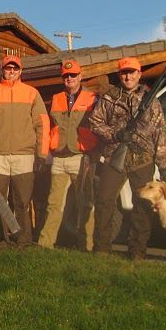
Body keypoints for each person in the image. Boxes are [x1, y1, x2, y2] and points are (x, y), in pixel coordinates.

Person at [89, 57, 166, 259]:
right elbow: (95, 123)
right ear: (119, 75)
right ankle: (102, 249)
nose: (128, 77)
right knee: (104, 201)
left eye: (132, 72)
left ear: (139, 74)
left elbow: (160, 133)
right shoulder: (109, 98)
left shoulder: (151, 100)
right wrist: (115, 135)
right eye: (124, 72)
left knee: (142, 205)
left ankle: (137, 252)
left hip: (143, 159)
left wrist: (163, 165)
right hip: (114, 157)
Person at [0, 55, 49, 247]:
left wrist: (42, 153)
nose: (12, 71)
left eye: (15, 68)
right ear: (3, 71)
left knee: (22, 201)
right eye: (8, 68)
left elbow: (42, 124)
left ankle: (23, 239)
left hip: (24, 155)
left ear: (20, 71)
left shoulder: (32, 93)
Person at [37, 61, 98, 250]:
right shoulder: (56, 98)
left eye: (73, 75)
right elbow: (48, 127)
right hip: (58, 158)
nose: (69, 78)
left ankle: (86, 245)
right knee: (54, 203)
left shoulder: (92, 98)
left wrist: (95, 153)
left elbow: (98, 127)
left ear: (80, 76)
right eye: (66, 76)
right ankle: (45, 244)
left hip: (81, 157)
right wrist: (46, 152)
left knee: (85, 203)